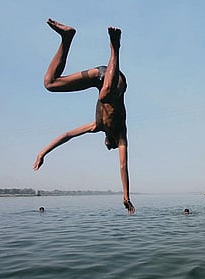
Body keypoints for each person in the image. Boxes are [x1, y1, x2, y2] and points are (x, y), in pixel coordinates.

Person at [33, 19, 135, 213]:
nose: (107, 147)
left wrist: (42, 152)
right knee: (105, 95)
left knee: (51, 83)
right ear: (112, 142)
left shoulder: (96, 126)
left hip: (101, 75)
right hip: (117, 80)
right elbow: (123, 166)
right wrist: (126, 196)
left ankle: (66, 38)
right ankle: (115, 47)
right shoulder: (121, 135)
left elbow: (67, 135)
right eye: (109, 147)